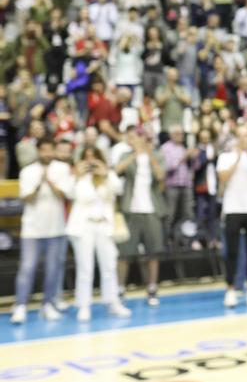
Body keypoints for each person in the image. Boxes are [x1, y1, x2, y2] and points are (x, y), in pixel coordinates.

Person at [12, 139, 74, 324]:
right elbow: (27, 198)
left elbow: (65, 195)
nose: (47, 153)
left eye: (50, 150)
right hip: (32, 229)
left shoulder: (62, 169)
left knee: (53, 269)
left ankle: (48, 304)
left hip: (56, 228)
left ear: (54, 150)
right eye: (43, 150)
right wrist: (40, 183)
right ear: (38, 151)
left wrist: (50, 182)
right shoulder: (27, 171)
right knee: (27, 267)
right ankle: (20, 306)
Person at [67, 147, 131, 321]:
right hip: (84, 226)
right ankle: (83, 305)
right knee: (85, 268)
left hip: (104, 226)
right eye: (86, 159)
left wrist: (107, 173)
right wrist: (77, 176)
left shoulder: (107, 177)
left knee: (109, 265)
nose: (90, 163)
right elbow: (69, 193)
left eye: (94, 159)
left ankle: (113, 302)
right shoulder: (77, 178)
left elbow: (118, 189)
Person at [115, 128, 167, 306]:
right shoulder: (125, 155)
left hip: (152, 209)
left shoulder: (157, 155)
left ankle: (152, 289)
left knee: (153, 252)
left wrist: (149, 154)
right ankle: (120, 289)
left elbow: (161, 176)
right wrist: (135, 155)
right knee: (124, 253)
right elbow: (116, 170)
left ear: (143, 138)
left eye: (134, 137)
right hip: (131, 209)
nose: (131, 140)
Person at [217, 123, 247, 308]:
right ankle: (230, 289)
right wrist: (237, 157)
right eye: (240, 136)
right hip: (232, 209)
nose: (243, 139)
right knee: (232, 252)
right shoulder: (226, 156)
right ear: (236, 138)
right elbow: (223, 178)